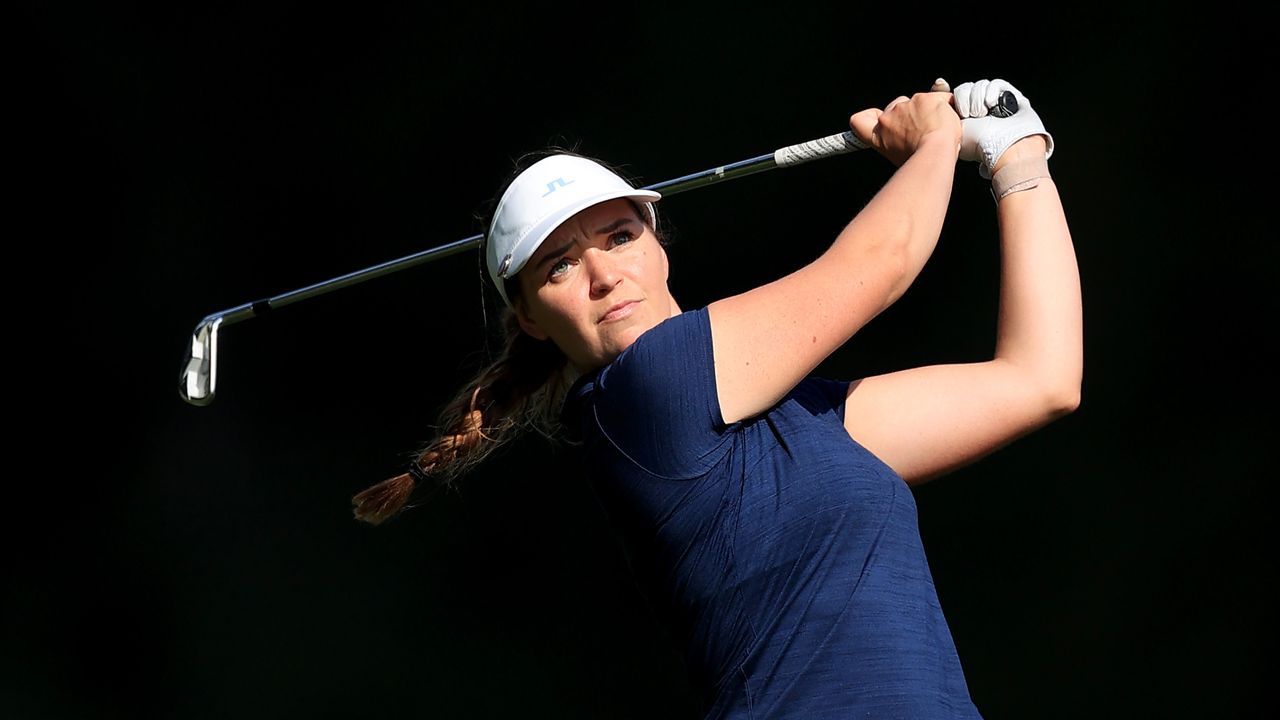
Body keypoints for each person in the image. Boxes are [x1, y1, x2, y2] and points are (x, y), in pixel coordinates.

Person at [352, 77, 1082, 718]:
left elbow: (1040, 381)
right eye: (560, 266)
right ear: (531, 320)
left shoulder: (811, 420)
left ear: (659, 242)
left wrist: (1018, 161)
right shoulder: (644, 392)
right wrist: (933, 140)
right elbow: (881, 265)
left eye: (620, 234)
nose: (605, 274)